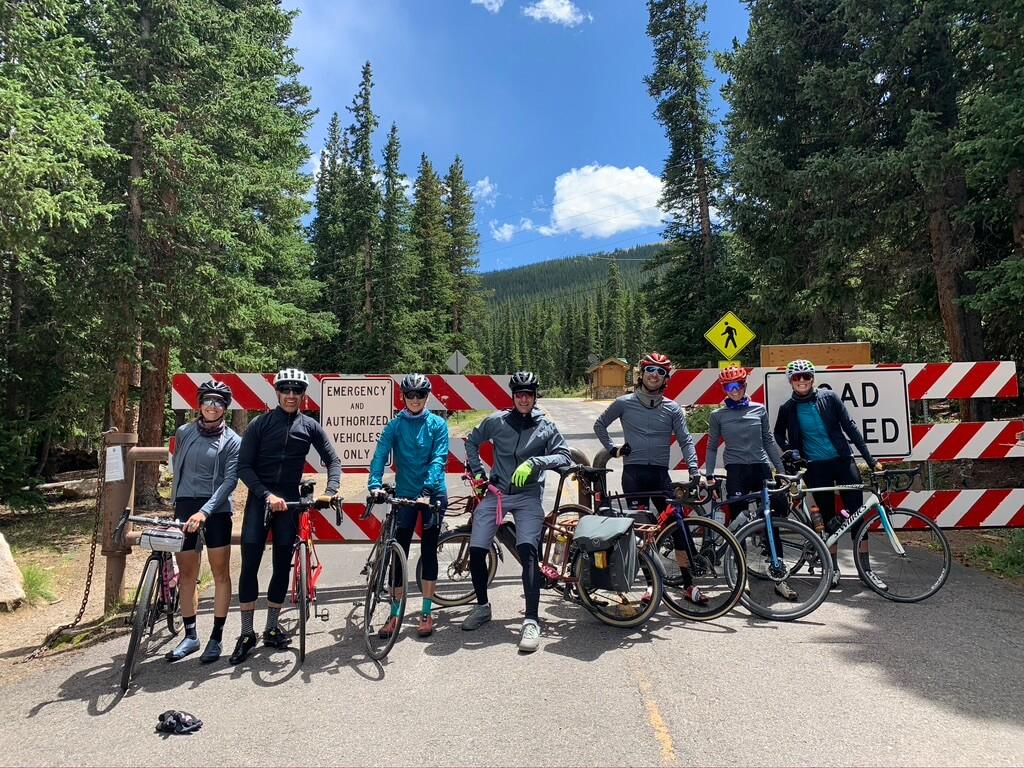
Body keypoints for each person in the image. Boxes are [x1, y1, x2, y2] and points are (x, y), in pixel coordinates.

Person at [231, 368, 342, 664]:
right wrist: (267, 495)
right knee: (250, 565)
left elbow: (333, 459)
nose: (291, 395)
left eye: (296, 391)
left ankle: (270, 628)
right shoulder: (260, 424)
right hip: (261, 499)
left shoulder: (309, 426)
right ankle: (246, 633)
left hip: (291, 501)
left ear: (303, 395)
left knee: (281, 566)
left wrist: (330, 490)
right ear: (277, 392)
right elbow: (244, 467)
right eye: (286, 390)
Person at [462, 371, 571, 653]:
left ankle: (532, 619)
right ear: (513, 396)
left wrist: (536, 462)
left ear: (535, 397)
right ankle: (482, 607)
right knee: (476, 549)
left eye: (529, 394)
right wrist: (477, 472)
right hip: (496, 493)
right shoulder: (497, 421)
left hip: (528, 496)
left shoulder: (545, 426)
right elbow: (472, 442)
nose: (524, 399)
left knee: (528, 550)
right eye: (519, 394)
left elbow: (564, 456)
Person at [593, 352, 707, 605]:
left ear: (666, 378)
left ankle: (689, 584)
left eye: (661, 372)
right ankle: (650, 584)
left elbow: (686, 440)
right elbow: (600, 425)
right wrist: (613, 450)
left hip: (659, 474)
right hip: (633, 475)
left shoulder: (672, 408)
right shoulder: (624, 403)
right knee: (642, 532)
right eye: (650, 370)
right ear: (641, 374)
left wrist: (694, 471)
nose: (655, 375)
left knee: (678, 527)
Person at [773, 359, 883, 589]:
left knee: (857, 515)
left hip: (843, 461)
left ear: (812, 378)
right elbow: (778, 435)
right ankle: (832, 568)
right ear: (791, 381)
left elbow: (850, 428)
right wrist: (791, 453)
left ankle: (866, 571)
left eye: (806, 376)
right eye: (796, 377)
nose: (801, 380)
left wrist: (871, 461)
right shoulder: (787, 409)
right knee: (826, 517)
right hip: (815, 467)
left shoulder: (829, 398)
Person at [368, 373, 449, 638]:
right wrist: (374, 484)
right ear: (402, 396)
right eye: (410, 395)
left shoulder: (438, 424)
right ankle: (395, 612)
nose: (415, 400)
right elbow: (380, 454)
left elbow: (439, 458)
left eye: (420, 395)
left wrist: (427, 488)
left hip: (432, 494)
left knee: (428, 551)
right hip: (404, 494)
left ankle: (427, 612)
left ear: (427, 397)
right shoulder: (395, 425)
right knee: (397, 554)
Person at [166, 380, 241, 663]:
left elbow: (230, 481)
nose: (212, 406)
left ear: (225, 407)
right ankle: (190, 635)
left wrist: (206, 511)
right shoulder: (184, 432)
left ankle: (217, 637)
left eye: (218, 402)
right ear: (199, 405)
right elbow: (179, 468)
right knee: (187, 572)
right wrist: (178, 505)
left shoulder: (233, 440)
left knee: (220, 572)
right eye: (208, 401)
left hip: (217, 510)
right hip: (186, 505)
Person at [704, 366, 795, 600]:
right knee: (739, 521)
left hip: (761, 467)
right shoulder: (718, 416)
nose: (734, 391)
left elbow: (768, 441)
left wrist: (781, 471)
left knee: (771, 519)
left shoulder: (759, 410)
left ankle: (780, 576)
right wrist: (710, 475)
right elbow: (712, 446)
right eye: (728, 387)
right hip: (736, 471)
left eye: (738, 385)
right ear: (724, 389)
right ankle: (740, 575)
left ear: (745, 385)